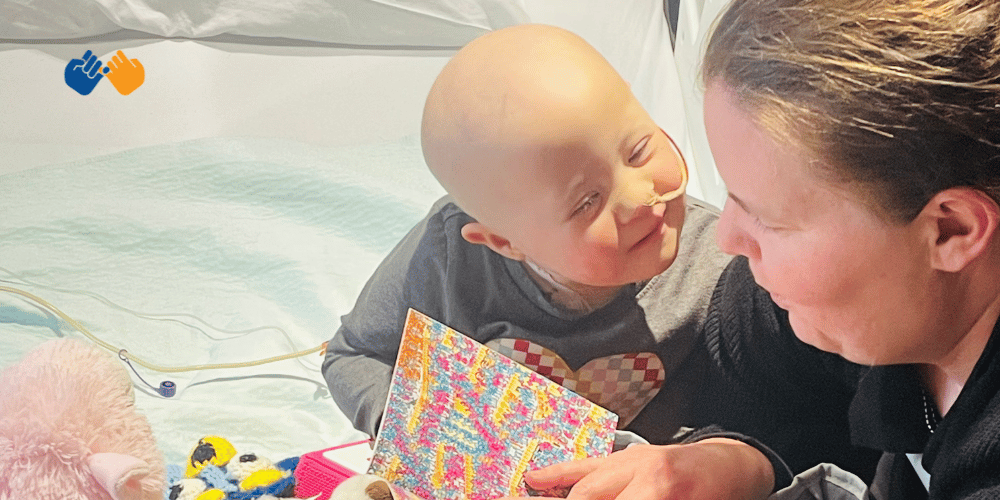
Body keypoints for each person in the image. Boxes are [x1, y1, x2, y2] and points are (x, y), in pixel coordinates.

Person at [321, 22, 877, 492]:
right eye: (587, 202)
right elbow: (355, 355)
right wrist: (431, 431)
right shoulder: (447, 251)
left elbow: (791, 426)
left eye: (638, 149)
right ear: (502, 242)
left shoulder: (727, 269)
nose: (640, 199)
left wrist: (724, 461)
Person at [509, 0, 1000, 499]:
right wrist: (734, 461)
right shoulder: (814, 307)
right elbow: (760, 397)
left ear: (951, 230)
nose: (726, 237)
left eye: (768, 218)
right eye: (730, 194)